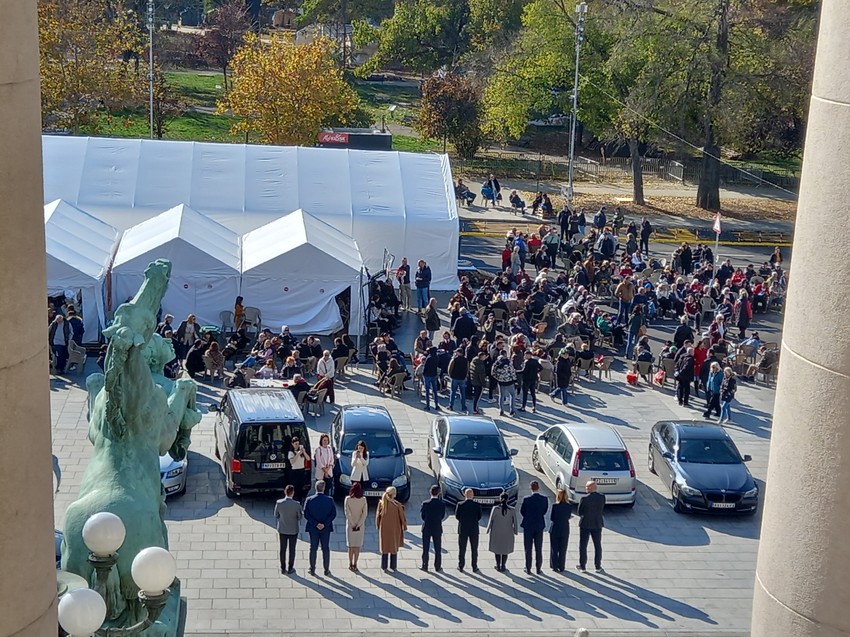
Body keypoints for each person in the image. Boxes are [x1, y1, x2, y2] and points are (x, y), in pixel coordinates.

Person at [303, 480, 336, 576]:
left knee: (313, 548)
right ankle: (326, 569)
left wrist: (316, 524)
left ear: (315, 488)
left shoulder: (309, 500)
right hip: (326, 528)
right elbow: (333, 514)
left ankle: (312, 569)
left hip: (313, 528)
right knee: (325, 548)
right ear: (324, 488)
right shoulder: (329, 500)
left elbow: (306, 514)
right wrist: (325, 524)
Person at [520, 480, 549, 575]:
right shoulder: (544, 499)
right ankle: (538, 568)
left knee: (528, 548)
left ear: (530, 488)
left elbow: (522, 511)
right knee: (538, 548)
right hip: (539, 525)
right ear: (538, 488)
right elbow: (544, 511)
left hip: (528, 525)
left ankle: (528, 568)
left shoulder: (526, 499)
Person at [576, 480, 605, 573]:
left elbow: (579, 512)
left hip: (585, 524)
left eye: (586, 487)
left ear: (589, 488)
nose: (585, 488)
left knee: (583, 545)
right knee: (597, 545)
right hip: (597, 523)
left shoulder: (584, 499)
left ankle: (583, 566)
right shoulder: (602, 497)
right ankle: (597, 566)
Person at [376, 486, 407, 572]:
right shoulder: (397, 505)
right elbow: (402, 517)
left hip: (384, 529)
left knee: (385, 547)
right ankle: (393, 566)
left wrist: (378, 526)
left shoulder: (381, 503)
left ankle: (384, 566)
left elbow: (377, 517)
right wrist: (404, 526)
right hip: (395, 529)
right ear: (394, 494)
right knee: (393, 547)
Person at [274, 485, 302, 574]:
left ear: (285, 492)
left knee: (283, 549)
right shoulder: (297, 504)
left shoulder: (279, 503)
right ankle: (290, 568)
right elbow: (300, 517)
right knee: (292, 549)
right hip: (293, 530)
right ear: (293, 493)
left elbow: (276, 515)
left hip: (282, 529)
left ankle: (283, 568)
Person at [487, 491, 517, 572]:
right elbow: (515, 522)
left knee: (497, 549)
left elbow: (491, 520)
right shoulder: (512, 510)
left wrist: (488, 529)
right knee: (505, 549)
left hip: (496, 532)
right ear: (508, 500)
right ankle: (503, 565)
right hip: (508, 532)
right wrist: (515, 531)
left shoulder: (495, 509)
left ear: (500, 499)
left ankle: (497, 564)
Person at [420, 484, 447, 572]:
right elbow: (442, 516)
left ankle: (425, 565)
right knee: (437, 548)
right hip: (437, 528)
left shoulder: (425, 503)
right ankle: (438, 566)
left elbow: (423, 516)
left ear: (430, 492)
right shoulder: (442, 504)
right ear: (439, 493)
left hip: (427, 527)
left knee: (426, 548)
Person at [455, 488, 482, 573]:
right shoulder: (477, 505)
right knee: (474, 549)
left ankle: (461, 566)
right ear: (473, 495)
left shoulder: (460, 504)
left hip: (463, 529)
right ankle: (474, 566)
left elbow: (457, 516)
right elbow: (479, 517)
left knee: (462, 548)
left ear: (464, 495)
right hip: (474, 529)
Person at [344, 483, 367, 572]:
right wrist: (359, 524)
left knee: (351, 546)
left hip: (350, 525)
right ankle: (355, 564)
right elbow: (364, 514)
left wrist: (352, 523)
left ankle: (350, 563)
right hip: (360, 526)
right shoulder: (363, 500)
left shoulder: (348, 499)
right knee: (357, 546)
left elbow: (347, 513)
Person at [549, 488, 572, 572]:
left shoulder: (555, 506)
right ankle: (561, 566)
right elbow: (568, 517)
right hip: (565, 528)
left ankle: (554, 566)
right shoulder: (569, 506)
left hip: (555, 528)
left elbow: (552, 518)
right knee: (563, 548)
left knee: (554, 548)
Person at [492, 351, 517, 417]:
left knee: (501, 395)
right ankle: (512, 410)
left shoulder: (496, 363)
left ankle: (501, 410)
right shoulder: (509, 363)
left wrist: (498, 378)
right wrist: (514, 380)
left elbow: (493, 373)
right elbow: (512, 372)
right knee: (512, 395)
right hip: (509, 382)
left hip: (501, 382)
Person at [469, 350, 488, 415]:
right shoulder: (480, 365)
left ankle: (475, 408)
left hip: (473, 380)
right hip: (478, 382)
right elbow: (481, 376)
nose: (485, 357)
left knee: (476, 396)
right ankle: (475, 409)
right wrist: (484, 384)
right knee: (477, 397)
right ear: (481, 357)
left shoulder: (474, 361)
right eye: (484, 356)